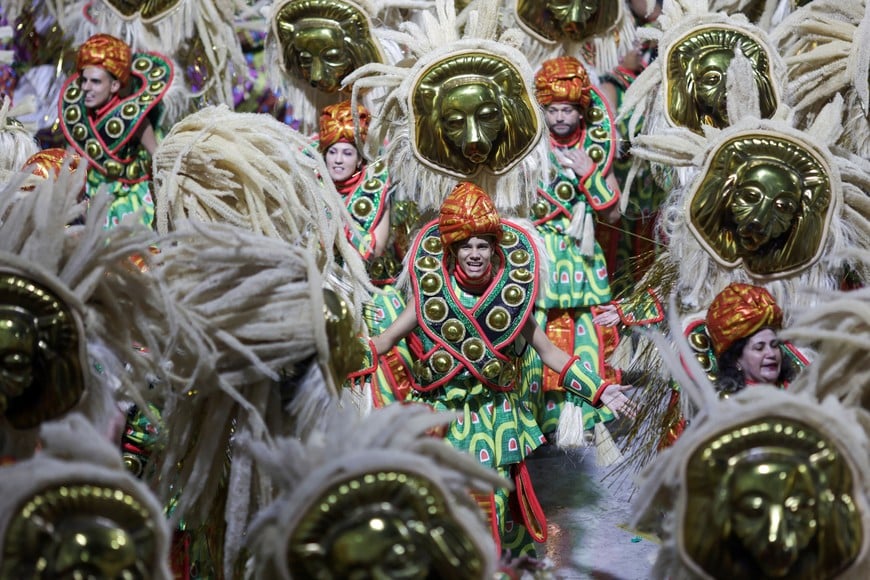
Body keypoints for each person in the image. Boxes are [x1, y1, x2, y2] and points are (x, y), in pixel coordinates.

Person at [366, 181, 635, 558]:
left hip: (496, 420)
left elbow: (550, 354)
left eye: (482, 245)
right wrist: (347, 352)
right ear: (452, 250)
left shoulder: (513, 299)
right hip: (445, 417)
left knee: (491, 504)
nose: (474, 254)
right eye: (466, 246)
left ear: (495, 249)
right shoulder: (429, 294)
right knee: (446, 501)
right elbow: (383, 342)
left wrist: (598, 388)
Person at [525, 55, 623, 447]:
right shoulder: (531, 152)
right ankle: (542, 419)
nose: (560, 117)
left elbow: (615, 214)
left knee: (588, 336)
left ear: (581, 112)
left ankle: (587, 416)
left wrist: (590, 176)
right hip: (543, 256)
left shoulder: (595, 150)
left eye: (567, 109)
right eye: (553, 110)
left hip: (582, 260)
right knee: (541, 335)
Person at [318, 99, 414, 405]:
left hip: (373, 297)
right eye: (332, 151)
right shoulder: (313, 188)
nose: (337, 159)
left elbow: (374, 246)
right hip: (325, 296)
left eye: (347, 152)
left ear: (360, 159)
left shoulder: (377, 187)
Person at [58, 33, 173, 229]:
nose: (86, 88)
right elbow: (70, 166)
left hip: (133, 198)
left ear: (115, 85)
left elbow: (160, 159)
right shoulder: (79, 119)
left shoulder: (135, 119)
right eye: (84, 80)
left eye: (95, 81)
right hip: (93, 200)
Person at [705, 283, 804, 396]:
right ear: (736, 360)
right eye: (759, 348)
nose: (771, 353)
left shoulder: (803, 389)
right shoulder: (728, 407)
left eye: (774, 345)